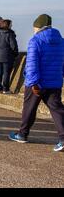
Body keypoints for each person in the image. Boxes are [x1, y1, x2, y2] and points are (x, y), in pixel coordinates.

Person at [9, 14, 64, 152]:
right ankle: (63, 139)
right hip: (54, 82)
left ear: (38, 27)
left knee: (29, 109)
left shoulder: (35, 40)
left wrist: (33, 83)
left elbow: (32, 64)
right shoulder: (61, 41)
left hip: (37, 84)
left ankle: (22, 134)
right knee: (57, 110)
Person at [0, 19, 19, 94]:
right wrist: (15, 53)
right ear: (8, 25)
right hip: (7, 56)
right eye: (11, 24)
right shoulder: (9, 34)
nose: (12, 25)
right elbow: (13, 46)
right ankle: (5, 89)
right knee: (6, 73)